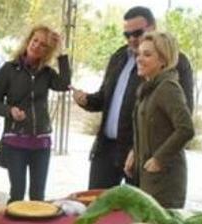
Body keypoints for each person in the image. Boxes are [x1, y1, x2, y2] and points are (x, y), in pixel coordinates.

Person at [72, 6, 193, 190]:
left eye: (137, 33)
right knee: (97, 209)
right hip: (106, 150)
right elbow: (105, 98)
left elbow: (181, 119)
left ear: (153, 27)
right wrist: (86, 100)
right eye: (126, 35)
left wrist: (148, 153)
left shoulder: (176, 62)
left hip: (140, 154)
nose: (132, 39)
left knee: (135, 215)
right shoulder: (119, 57)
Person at [0, 25, 70, 201]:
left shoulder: (47, 73)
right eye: (35, 41)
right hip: (15, 142)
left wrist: (62, 53)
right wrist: (10, 111)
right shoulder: (9, 69)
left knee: (38, 196)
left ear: (47, 51)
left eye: (43, 45)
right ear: (28, 41)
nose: (36, 46)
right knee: (17, 194)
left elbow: (64, 84)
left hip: (41, 144)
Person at [124, 32, 193, 208]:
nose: (139, 59)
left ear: (163, 60)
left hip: (165, 183)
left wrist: (159, 159)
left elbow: (185, 128)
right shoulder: (149, 88)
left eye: (147, 55)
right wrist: (135, 152)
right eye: (138, 54)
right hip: (147, 179)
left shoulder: (167, 88)